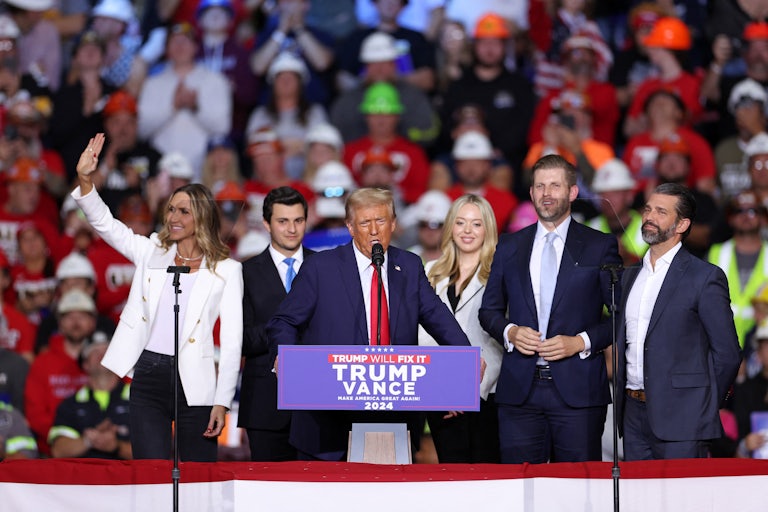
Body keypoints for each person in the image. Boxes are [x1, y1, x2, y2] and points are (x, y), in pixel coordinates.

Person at [71, 133, 243, 462]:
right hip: (149, 374)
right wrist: (86, 180)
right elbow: (106, 225)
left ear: (203, 217)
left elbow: (233, 343)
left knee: (197, 476)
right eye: (171, 209)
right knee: (151, 473)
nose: (173, 218)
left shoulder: (227, 270)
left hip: (198, 379)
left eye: (183, 211)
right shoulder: (151, 251)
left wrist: (222, 401)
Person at [266, 187, 472, 461]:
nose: (374, 230)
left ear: (394, 224)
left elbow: (438, 317)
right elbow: (284, 321)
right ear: (350, 227)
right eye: (365, 223)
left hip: (393, 414)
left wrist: (464, 361)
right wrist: (284, 356)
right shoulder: (321, 267)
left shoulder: (409, 266)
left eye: (381, 221)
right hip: (327, 419)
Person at [479, 154, 622, 464]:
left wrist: (580, 342)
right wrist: (510, 332)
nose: (547, 194)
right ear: (531, 193)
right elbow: (488, 311)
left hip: (579, 392)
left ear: (572, 192)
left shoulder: (599, 245)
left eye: (555, 186)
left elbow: (620, 316)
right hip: (519, 392)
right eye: (540, 186)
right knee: (519, 484)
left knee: (578, 486)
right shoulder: (509, 245)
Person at [615, 183, 741, 460]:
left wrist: (703, 405)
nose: (649, 217)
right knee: (637, 489)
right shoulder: (629, 276)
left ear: (682, 224)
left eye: (661, 212)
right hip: (632, 415)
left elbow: (728, 353)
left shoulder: (704, 277)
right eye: (648, 209)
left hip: (685, 417)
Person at [419, 194, 502, 463]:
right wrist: (443, 388)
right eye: (460, 222)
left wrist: (464, 391)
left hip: (483, 395)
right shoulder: (431, 271)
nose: (467, 230)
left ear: (488, 229)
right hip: (438, 395)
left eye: (476, 224)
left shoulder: (499, 273)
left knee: (485, 475)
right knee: (450, 473)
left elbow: (497, 341)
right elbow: (423, 336)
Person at [240, 187, 313, 462]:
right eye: (283, 221)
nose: (292, 229)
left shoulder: (326, 267)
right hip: (265, 405)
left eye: (298, 220)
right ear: (267, 224)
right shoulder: (245, 273)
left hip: (318, 402)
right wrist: (286, 326)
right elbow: (242, 339)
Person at [47, 336, 131, 459]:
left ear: (118, 360)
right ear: (85, 364)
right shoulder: (70, 405)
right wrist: (88, 440)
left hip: (128, 471)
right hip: (84, 471)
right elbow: (58, 451)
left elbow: (154, 451)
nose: (102, 355)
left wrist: (117, 446)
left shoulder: (139, 400)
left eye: (107, 350)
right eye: (94, 351)